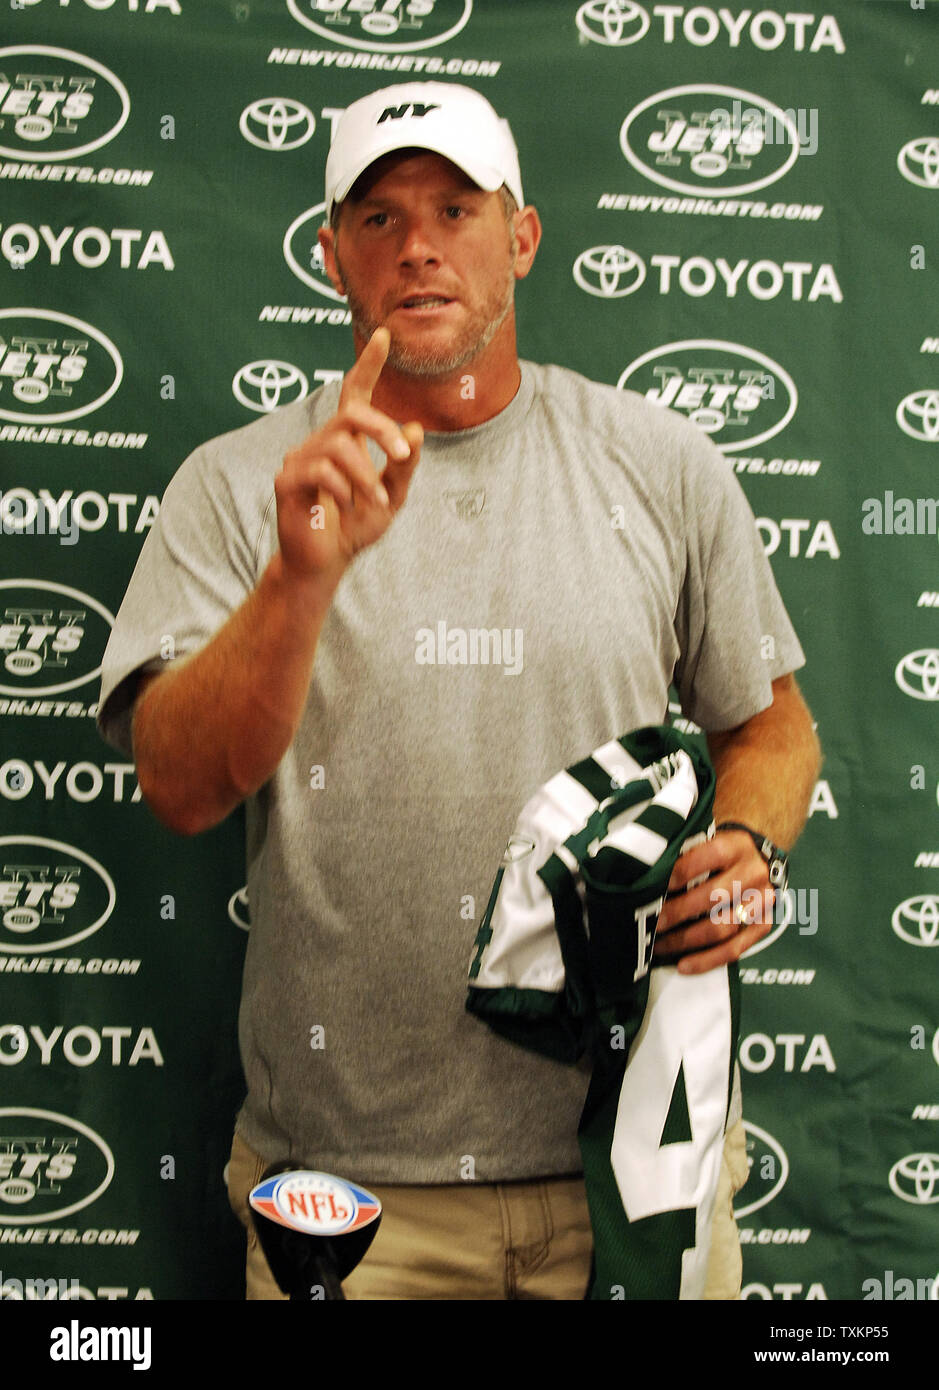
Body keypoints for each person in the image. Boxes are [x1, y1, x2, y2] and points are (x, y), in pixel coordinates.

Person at [97, 82, 821, 1301]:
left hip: (632, 1169)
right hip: (349, 1204)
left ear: (522, 237)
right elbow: (175, 783)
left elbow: (774, 729)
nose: (418, 244)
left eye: (454, 207)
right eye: (377, 217)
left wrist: (745, 839)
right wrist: (299, 579)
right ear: (332, 257)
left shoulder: (660, 465)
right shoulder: (237, 488)